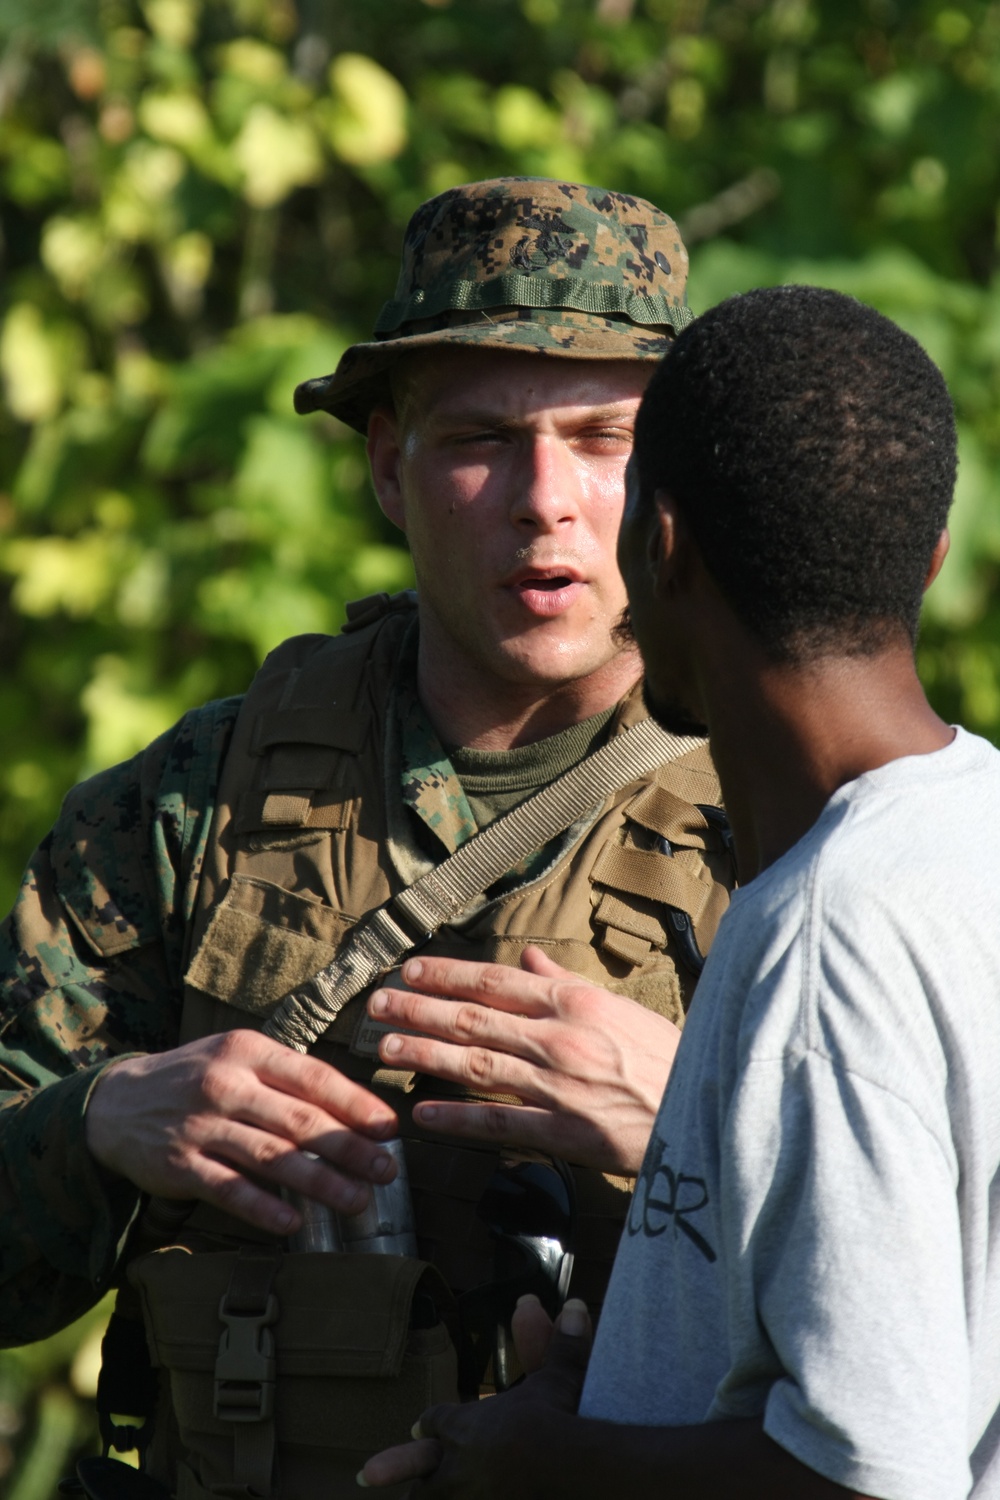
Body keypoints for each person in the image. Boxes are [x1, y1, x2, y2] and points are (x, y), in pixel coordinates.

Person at [0, 178, 735, 1497]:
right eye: (479, 441)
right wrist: (101, 1121)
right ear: (390, 468)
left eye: (602, 437)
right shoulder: (190, 804)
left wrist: (690, 1122)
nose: (545, 498)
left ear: (675, 474)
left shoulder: (802, 815)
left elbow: (947, 1293)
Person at [360, 285, 1000, 1500]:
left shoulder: (833, 932)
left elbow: (870, 1478)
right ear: (929, 560)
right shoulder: (972, 838)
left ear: (658, 546)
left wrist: (548, 1462)